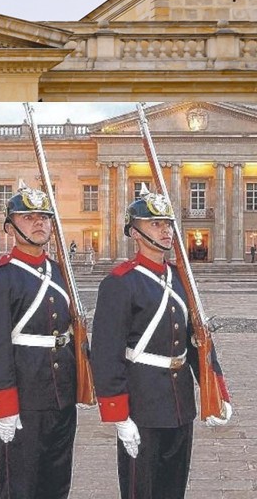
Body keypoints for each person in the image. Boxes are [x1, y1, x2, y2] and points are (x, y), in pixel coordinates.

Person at [91, 192, 232, 499]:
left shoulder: (181, 277)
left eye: (168, 223)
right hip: (142, 406)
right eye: (155, 223)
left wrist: (216, 391)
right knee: (141, 490)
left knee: (173, 488)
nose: (166, 230)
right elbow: (106, 354)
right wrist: (118, 414)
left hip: (180, 406)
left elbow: (198, 341)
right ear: (134, 232)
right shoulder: (119, 283)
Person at [0, 184, 78, 499]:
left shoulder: (62, 273)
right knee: (21, 485)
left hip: (62, 395)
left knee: (57, 483)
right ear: (10, 226)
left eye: (44, 217)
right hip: (24, 396)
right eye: (29, 216)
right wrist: (3, 406)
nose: (39, 223)